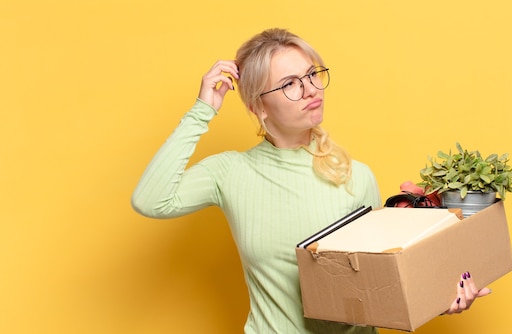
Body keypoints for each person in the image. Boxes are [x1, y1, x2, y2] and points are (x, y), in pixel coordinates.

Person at [131, 28, 490, 334]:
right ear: (259, 106)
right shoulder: (229, 172)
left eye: (312, 74)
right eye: (289, 84)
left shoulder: (356, 175)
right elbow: (151, 200)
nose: (310, 89)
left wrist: (439, 296)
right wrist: (202, 109)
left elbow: (378, 289)